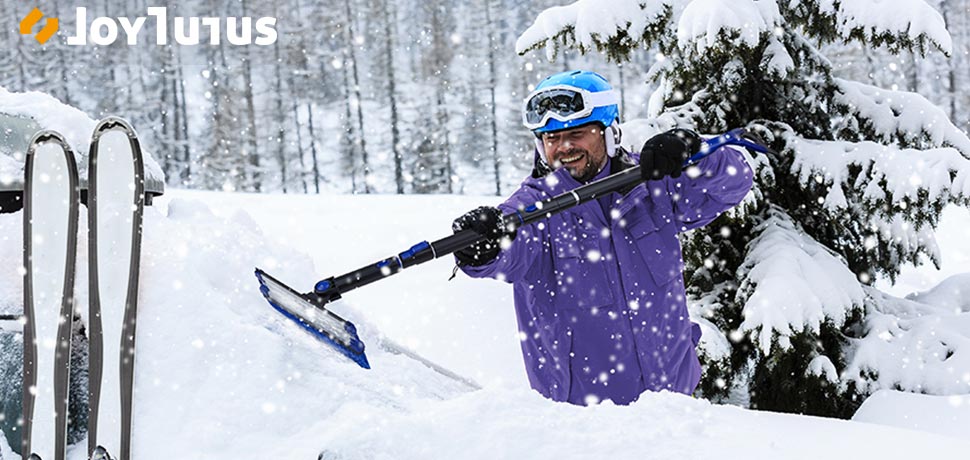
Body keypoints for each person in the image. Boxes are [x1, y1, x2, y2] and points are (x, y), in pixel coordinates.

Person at [451, 70, 754, 405]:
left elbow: (734, 181)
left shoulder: (651, 185)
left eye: (577, 134)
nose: (564, 147)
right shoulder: (534, 210)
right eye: (551, 138)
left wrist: (696, 152)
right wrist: (481, 247)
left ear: (608, 133)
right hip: (587, 422)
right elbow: (508, 253)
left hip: (674, 404)